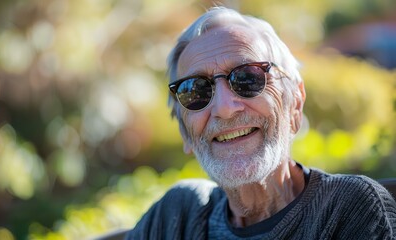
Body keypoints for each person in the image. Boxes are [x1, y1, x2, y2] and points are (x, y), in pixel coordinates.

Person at [126, 7, 396, 239]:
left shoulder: (348, 208)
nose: (224, 109)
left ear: (295, 103)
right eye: (195, 90)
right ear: (185, 131)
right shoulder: (177, 217)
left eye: (247, 78)